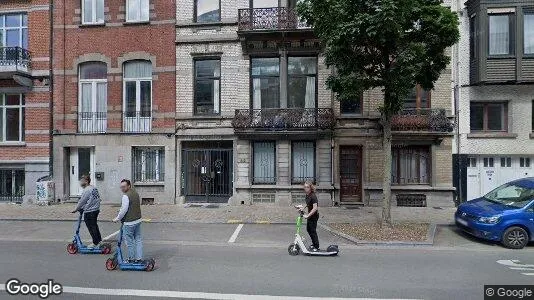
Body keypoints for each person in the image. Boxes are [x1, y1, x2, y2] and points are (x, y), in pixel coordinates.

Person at [113, 179, 143, 263]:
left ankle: (131, 259)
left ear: (129, 186)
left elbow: (124, 210)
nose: (122, 188)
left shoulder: (126, 196)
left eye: (124, 186)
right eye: (121, 187)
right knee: (138, 239)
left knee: (129, 241)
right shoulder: (135, 193)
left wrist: (117, 218)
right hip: (138, 220)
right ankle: (139, 258)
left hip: (129, 222)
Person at [72, 175, 102, 248]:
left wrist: (76, 209)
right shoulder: (93, 188)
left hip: (90, 211)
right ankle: (99, 240)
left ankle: (95, 243)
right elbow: (95, 199)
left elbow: (82, 201)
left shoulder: (87, 190)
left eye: (82, 181)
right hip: (95, 210)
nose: (80, 182)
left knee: (91, 227)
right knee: (94, 226)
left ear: (86, 181)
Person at [302, 180, 320, 251]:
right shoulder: (307, 195)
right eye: (305, 187)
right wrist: (302, 207)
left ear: (310, 188)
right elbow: (308, 204)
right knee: (308, 230)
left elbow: (315, 208)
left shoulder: (313, 196)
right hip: (310, 216)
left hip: (314, 216)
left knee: (312, 231)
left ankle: (317, 246)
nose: (306, 188)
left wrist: (308, 215)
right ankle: (314, 244)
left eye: (307, 187)